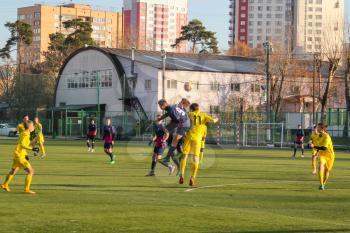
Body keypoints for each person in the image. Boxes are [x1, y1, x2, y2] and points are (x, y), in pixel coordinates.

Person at [179, 103, 218, 187]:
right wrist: (216, 118)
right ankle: (193, 177)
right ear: (198, 108)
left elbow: (181, 122)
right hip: (197, 139)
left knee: (184, 156)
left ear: (191, 109)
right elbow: (213, 120)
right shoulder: (203, 115)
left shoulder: (189, 114)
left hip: (188, 137)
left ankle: (182, 174)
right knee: (195, 158)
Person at [1, 120, 39, 194]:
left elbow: (21, 145)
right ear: (30, 127)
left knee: (13, 171)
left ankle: (5, 185)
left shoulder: (25, 133)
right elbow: (22, 144)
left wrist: (26, 155)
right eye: (32, 126)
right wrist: (32, 148)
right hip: (20, 156)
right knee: (31, 171)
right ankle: (26, 189)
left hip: (18, 154)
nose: (33, 127)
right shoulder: (26, 134)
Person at [157, 98, 191, 174]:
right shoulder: (171, 108)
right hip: (184, 124)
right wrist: (161, 118)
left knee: (176, 144)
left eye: (160, 105)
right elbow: (169, 114)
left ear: (164, 104)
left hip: (184, 125)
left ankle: (172, 160)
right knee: (174, 144)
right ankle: (168, 159)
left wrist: (182, 131)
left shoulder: (171, 110)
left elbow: (178, 120)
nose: (160, 107)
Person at [312, 123, 335, 191]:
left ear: (322, 129)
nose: (317, 129)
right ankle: (321, 184)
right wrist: (316, 152)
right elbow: (318, 144)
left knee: (327, 171)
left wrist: (314, 146)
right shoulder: (318, 136)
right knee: (320, 166)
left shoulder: (327, 136)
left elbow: (324, 148)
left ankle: (323, 183)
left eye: (318, 127)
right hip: (322, 155)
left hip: (330, 156)